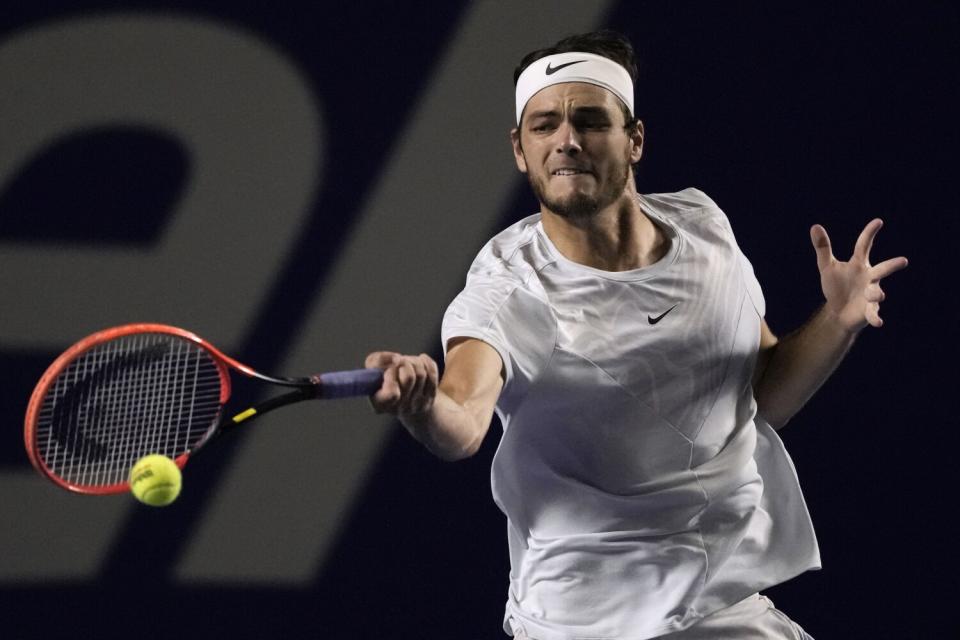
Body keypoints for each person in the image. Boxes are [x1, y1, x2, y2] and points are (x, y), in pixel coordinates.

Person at [365, 30, 907, 639]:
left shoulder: (704, 231)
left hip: (715, 604)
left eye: (590, 121)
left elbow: (756, 400)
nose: (566, 141)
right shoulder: (507, 290)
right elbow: (462, 421)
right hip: (581, 620)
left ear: (635, 140)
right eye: (544, 126)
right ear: (520, 150)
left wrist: (836, 321)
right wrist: (424, 403)